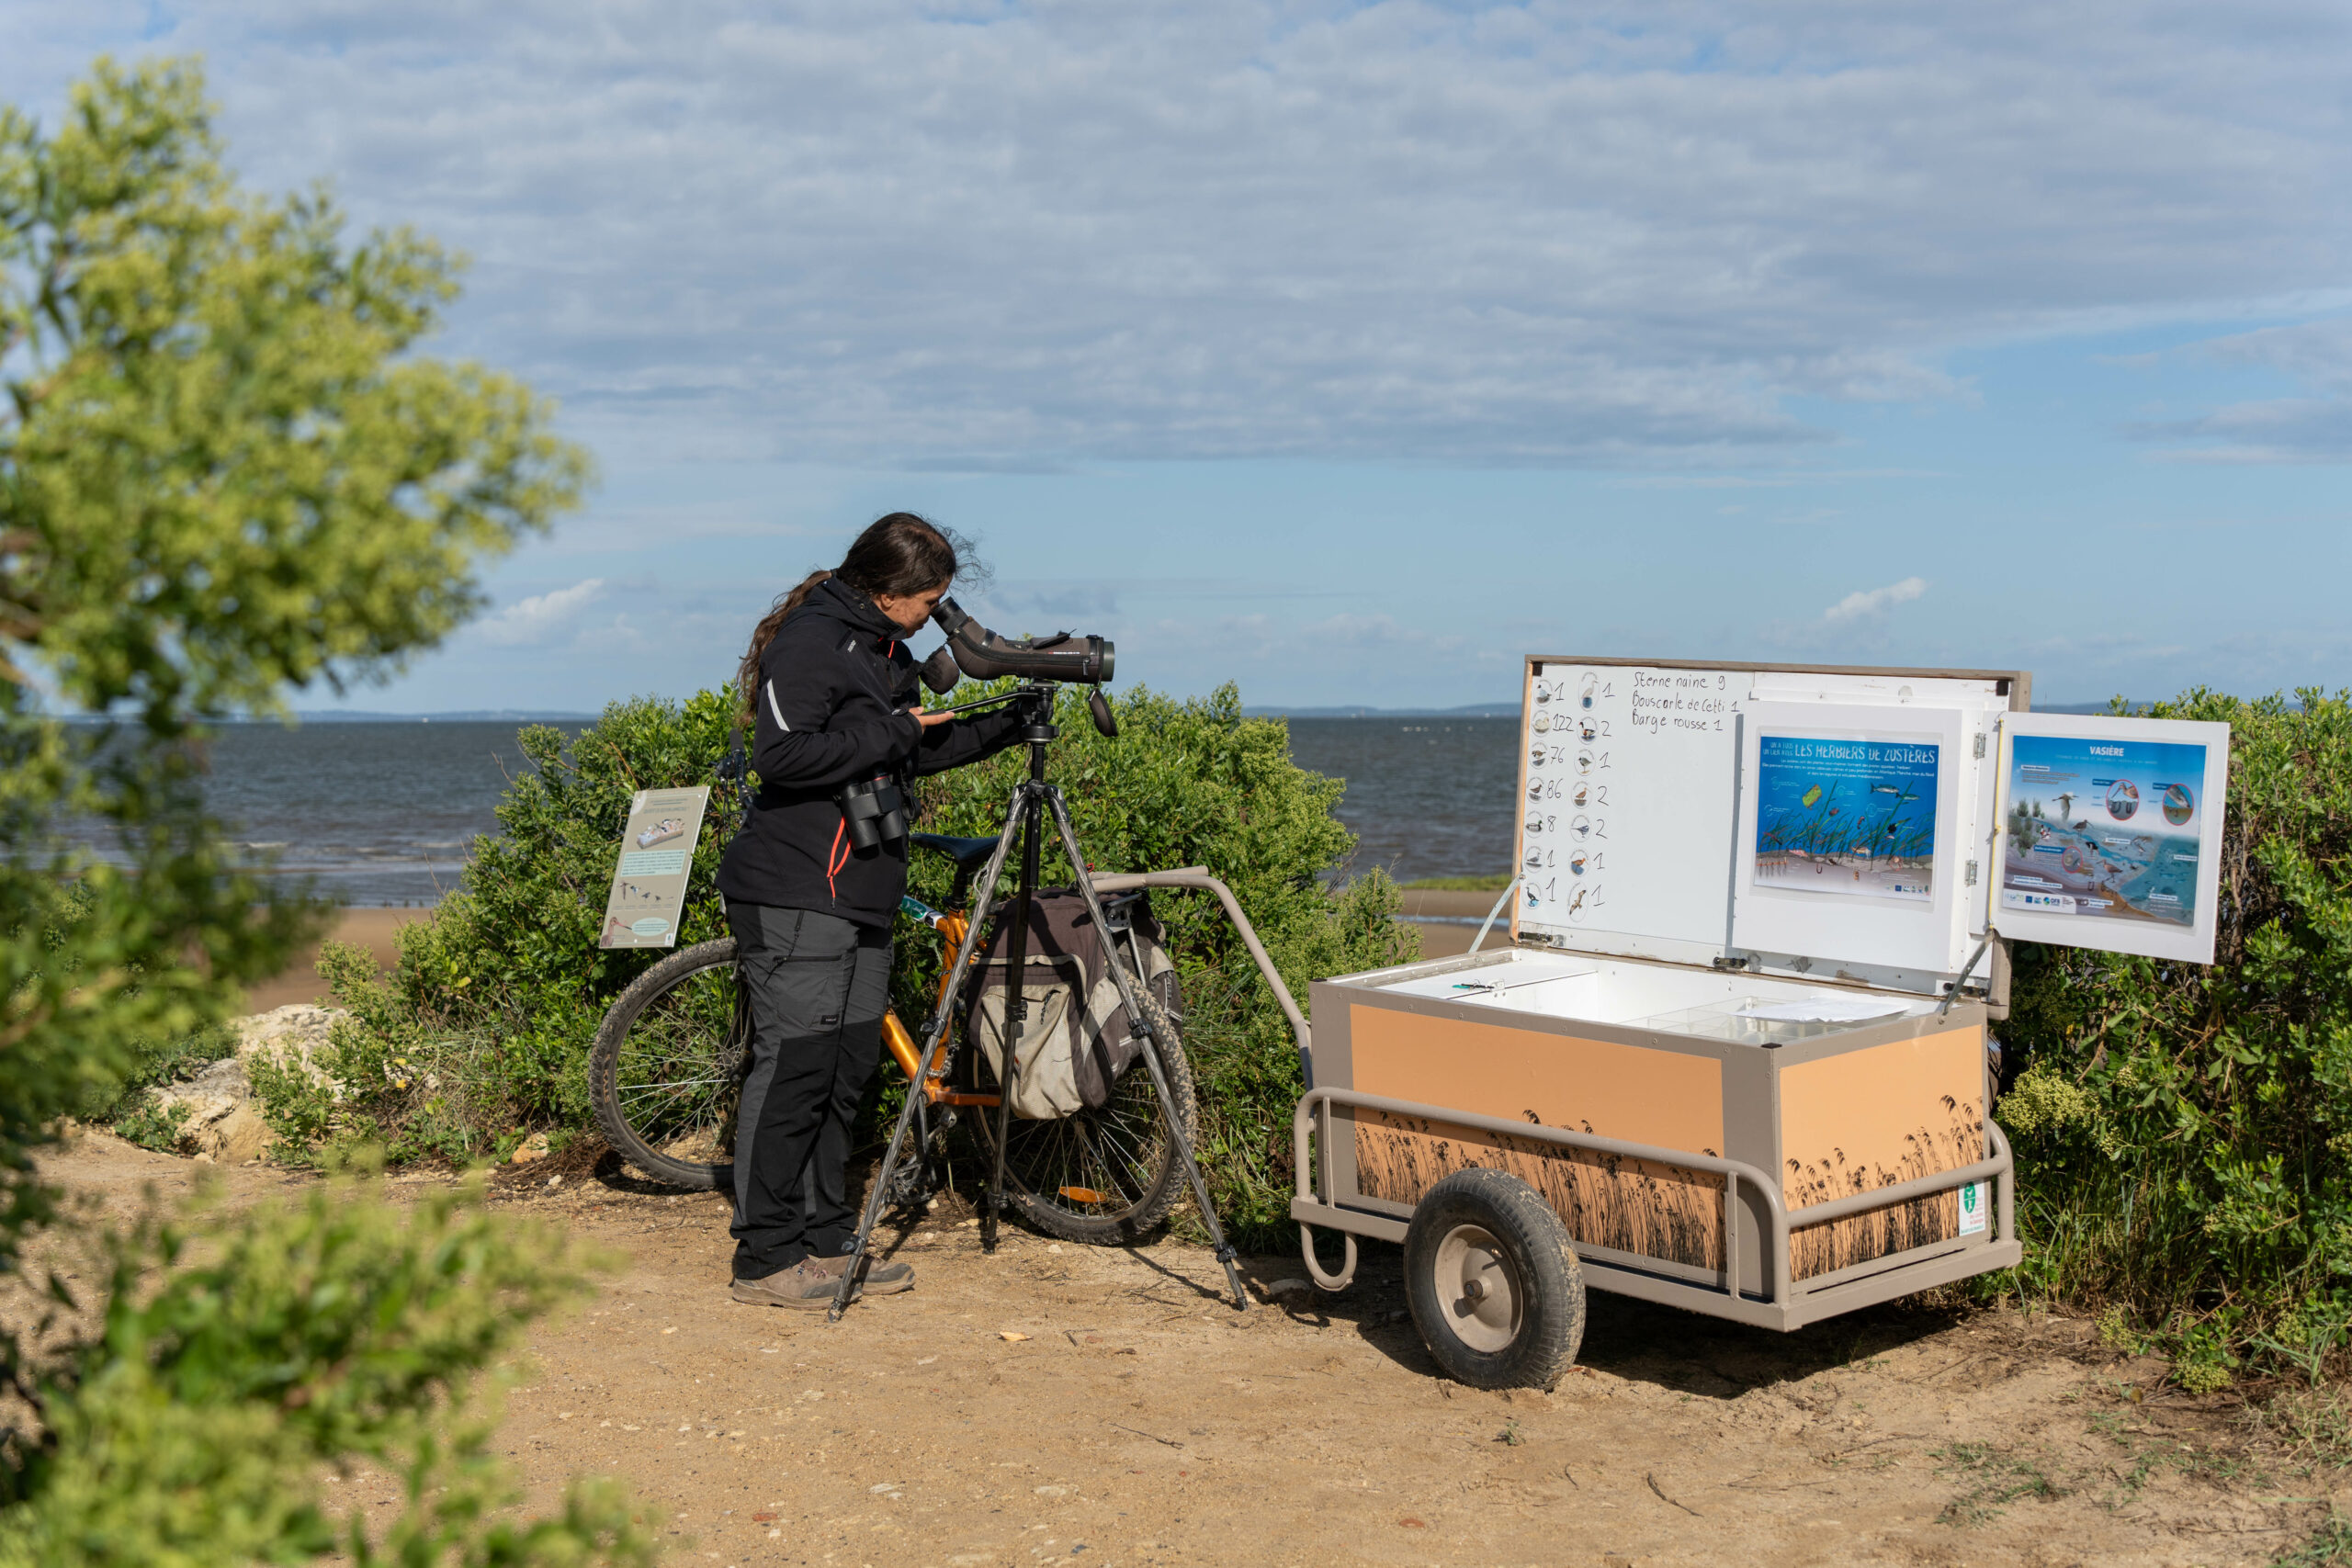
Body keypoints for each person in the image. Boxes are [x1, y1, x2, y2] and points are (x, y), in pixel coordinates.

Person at [715, 513, 1025, 1309]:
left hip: (862, 891)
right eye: (929, 601)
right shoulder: (812, 643)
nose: (934, 617)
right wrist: (892, 729)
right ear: (887, 592)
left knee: (846, 1070)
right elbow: (781, 758)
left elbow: (908, 745)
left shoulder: (883, 648)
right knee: (795, 1069)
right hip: (795, 889)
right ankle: (766, 1257)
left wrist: (1004, 725)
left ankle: (823, 1237)